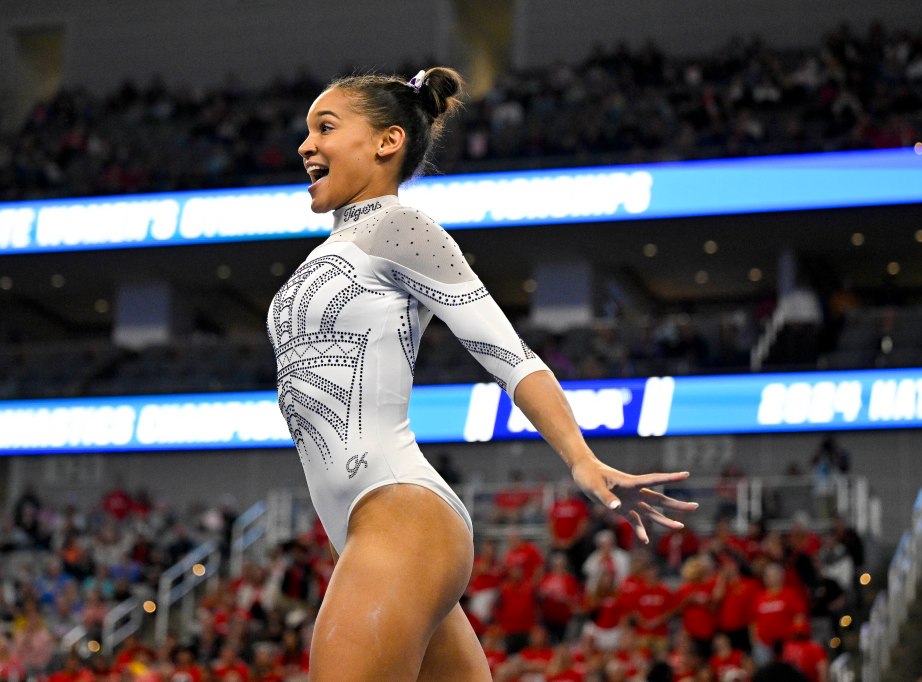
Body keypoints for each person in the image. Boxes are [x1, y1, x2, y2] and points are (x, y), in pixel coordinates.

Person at [267, 65, 697, 681]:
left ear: (387, 141)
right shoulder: (328, 253)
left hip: (398, 517)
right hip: (369, 536)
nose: (306, 144)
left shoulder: (399, 226)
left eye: (325, 127)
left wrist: (580, 457)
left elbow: (511, 356)